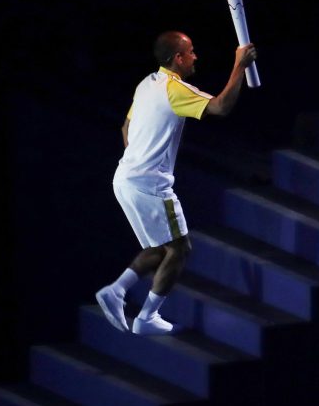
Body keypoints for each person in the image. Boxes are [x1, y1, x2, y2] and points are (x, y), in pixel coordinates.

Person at [96, 31, 257, 336]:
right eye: (191, 52)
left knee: (162, 247)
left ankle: (116, 291)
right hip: (150, 185)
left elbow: (125, 127)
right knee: (181, 249)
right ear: (178, 58)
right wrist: (239, 65)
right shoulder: (175, 89)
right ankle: (146, 317)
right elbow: (221, 107)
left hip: (124, 179)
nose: (196, 56)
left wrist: (139, 159)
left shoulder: (147, 84)